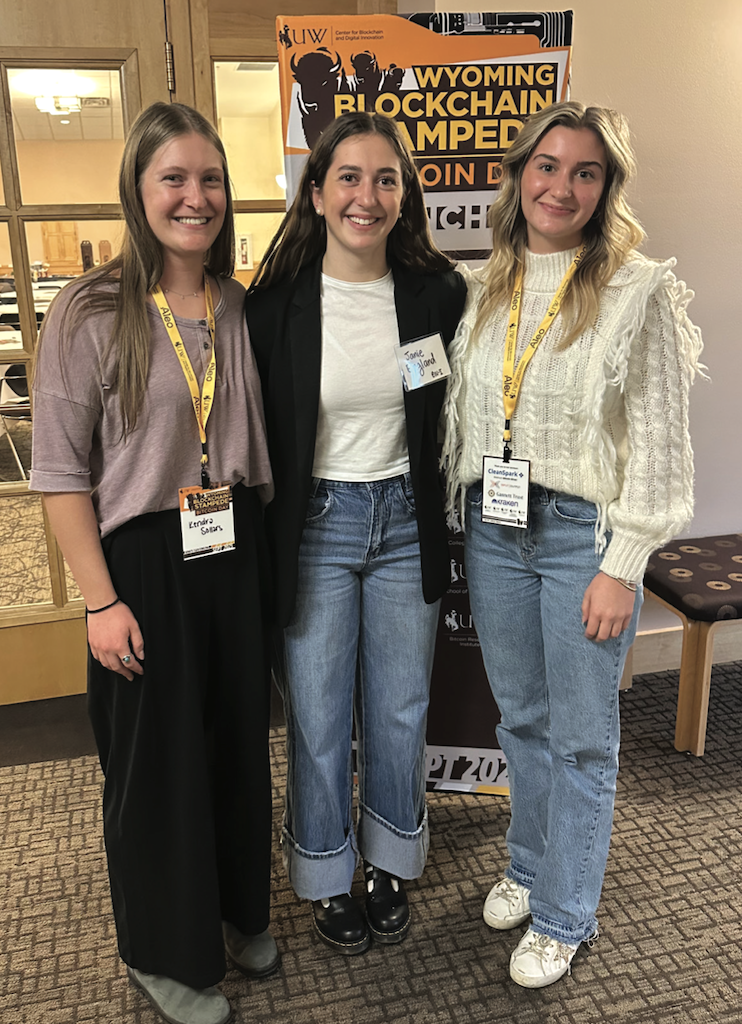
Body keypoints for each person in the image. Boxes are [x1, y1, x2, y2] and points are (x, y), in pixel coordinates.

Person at [442, 101, 702, 988]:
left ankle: (564, 913)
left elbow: (660, 450)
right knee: (521, 720)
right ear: (519, 175)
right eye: (547, 166)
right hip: (495, 527)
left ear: (606, 187)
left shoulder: (639, 291)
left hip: (580, 538)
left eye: (585, 172)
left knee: (583, 739)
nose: (561, 186)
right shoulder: (486, 286)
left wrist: (623, 567)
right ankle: (528, 865)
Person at [30, 102, 277, 1024]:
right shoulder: (90, 311)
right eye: (173, 178)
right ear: (138, 189)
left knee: (236, 746)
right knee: (157, 767)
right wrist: (100, 604)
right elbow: (60, 473)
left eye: (210, 179)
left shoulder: (237, 303)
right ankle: (162, 952)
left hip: (232, 546)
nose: (195, 197)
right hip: (142, 563)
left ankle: (237, 907)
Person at [246, 112, 466, 955]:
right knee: (319, 715)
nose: (365, 196)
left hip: (407, 522)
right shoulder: (274, 308)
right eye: (348, 177)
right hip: (317, 529)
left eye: (385, 179)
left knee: (401, 710)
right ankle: (324, 871)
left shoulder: (437, 294)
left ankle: (388, 862)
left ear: (405, 196)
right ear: (316, 192)